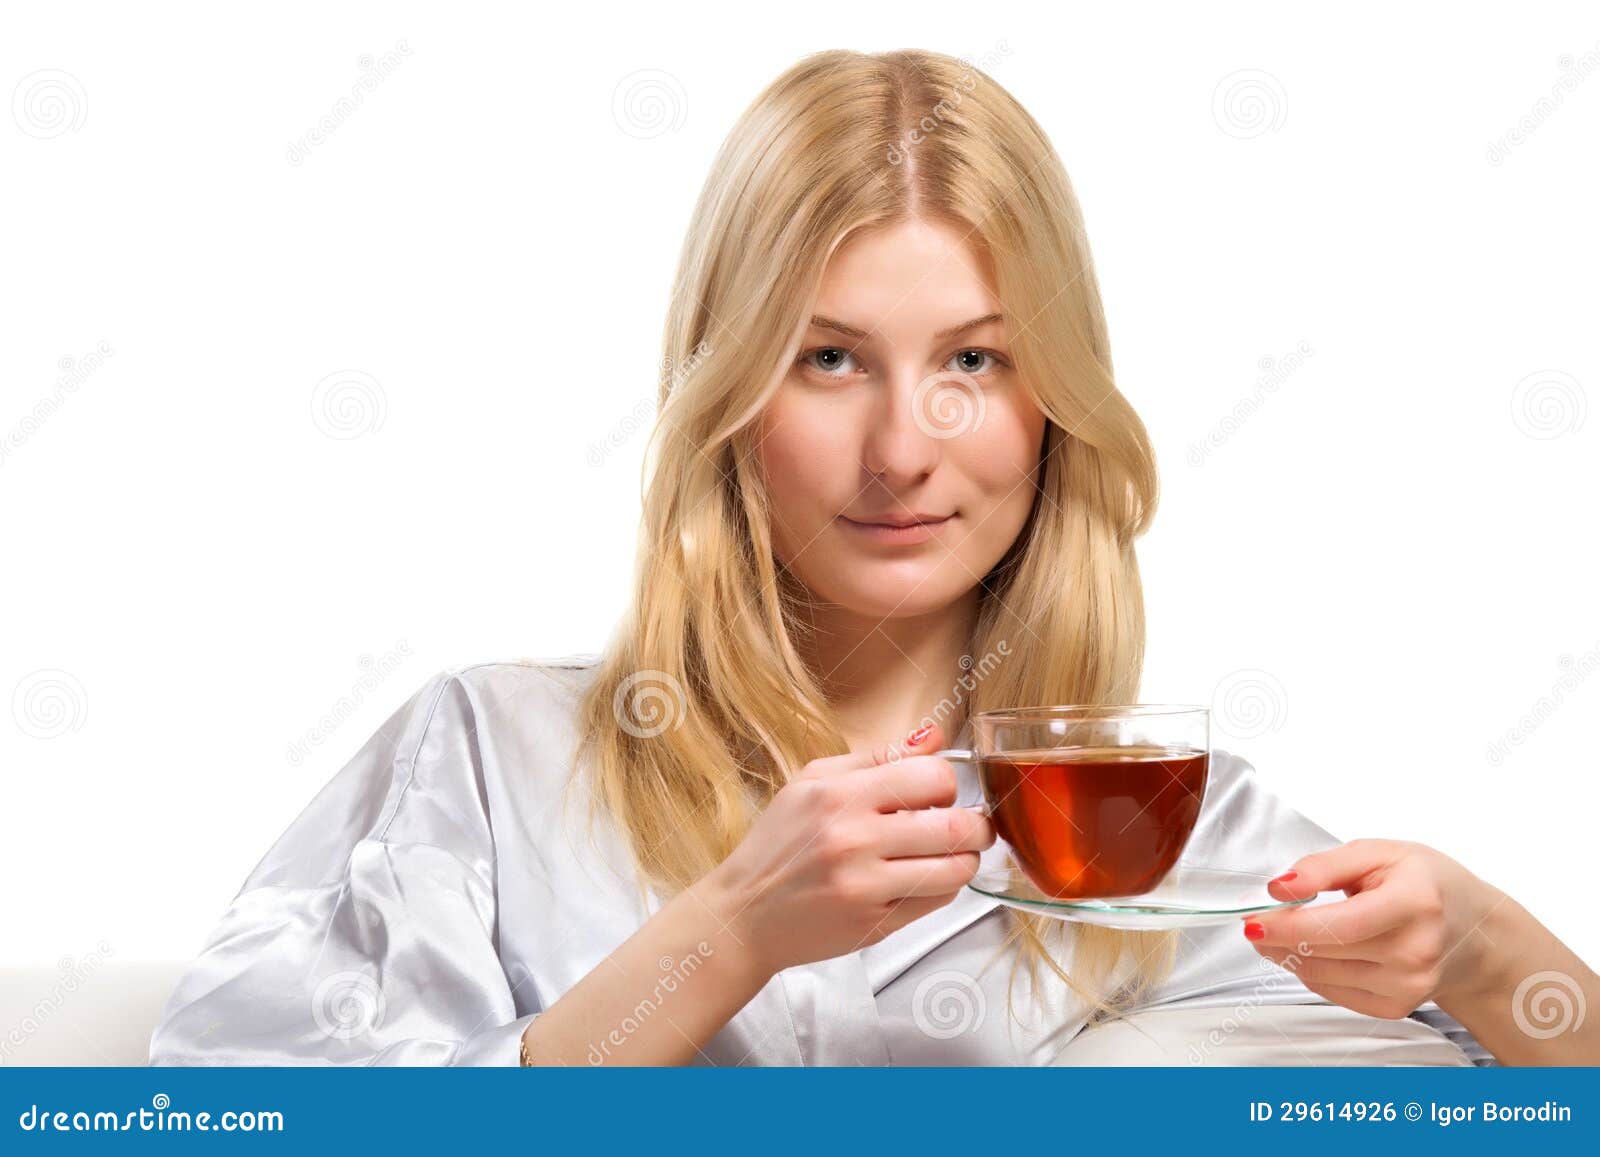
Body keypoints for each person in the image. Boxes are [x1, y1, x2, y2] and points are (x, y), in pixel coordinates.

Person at [149, 48, 1595, 1067]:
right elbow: (220, 1114)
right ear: (728, 397)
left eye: (974, 357)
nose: (906, 445)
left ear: (1057, 404)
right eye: (828, 357)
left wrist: (1485, 944)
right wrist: (721, 938)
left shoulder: (1151, 827)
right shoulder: (487, 755)